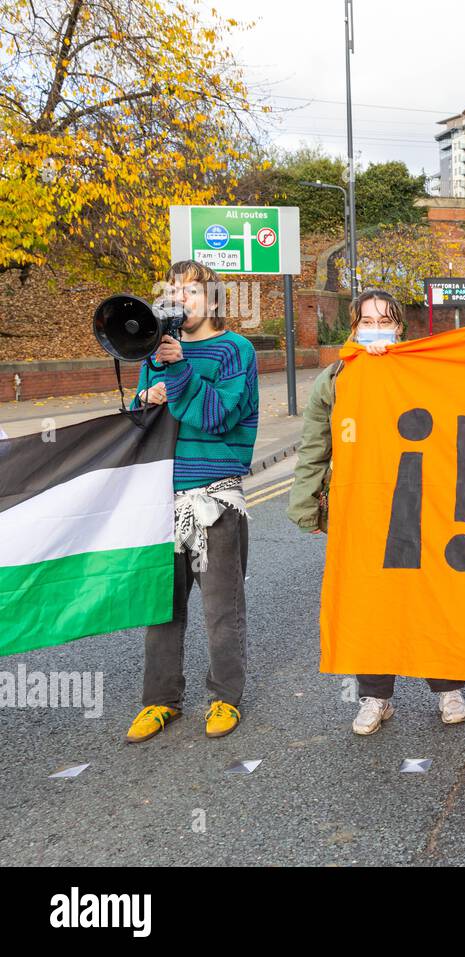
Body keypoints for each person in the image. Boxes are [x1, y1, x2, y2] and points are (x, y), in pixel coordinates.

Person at [288, 290, 465, 735]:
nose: (376, 328)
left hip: (417, 503)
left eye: (385, 319)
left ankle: (447, 688)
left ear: (400, 327)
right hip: (360, 508)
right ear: (353, 328)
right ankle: (375, 697)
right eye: (367, 321)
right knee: (367, 602)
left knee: (426, 595)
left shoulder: (421, 370)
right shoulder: (333, 379)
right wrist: (306, 503)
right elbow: (315, 447)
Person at [125, 260, 259, 743]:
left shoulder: (235, 349)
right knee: (161, 607)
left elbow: (218, 416)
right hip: (161, 496)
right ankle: (160, 702)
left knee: (222, 607)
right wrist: (150, 391)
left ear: (216, 300)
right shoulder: (155, 351)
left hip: (213, 495)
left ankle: (225, 697)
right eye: (175, 291)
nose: (183, 299)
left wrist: (179, 369)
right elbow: (141, 418)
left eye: (194, 292)